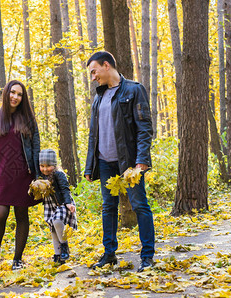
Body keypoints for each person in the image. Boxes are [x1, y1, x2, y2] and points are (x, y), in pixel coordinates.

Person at [84, 51, 155, 272]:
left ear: (107, 65)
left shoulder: (134, 90)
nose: (93, 77)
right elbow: (93, 134)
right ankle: (109, 254)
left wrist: (141, 160)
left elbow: (144, 128)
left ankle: (147, 256)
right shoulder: (98, 97)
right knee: (108, 207)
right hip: (105, 162)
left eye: (94, 71)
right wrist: (90, 165)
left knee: (140, 205)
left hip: (129, 163)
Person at [0, 80, 40, 271]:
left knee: (21, 213)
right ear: (6, 94)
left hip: (23, 173)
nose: (15, 97)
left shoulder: (28, 119)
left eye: (20, 94)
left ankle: (17, 259)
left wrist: (38, 176)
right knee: (0, 213)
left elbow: (36, 147)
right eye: (13, 93)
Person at [37, 149, 77, 264]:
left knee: (57, 221)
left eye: (48, 166)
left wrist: (68, 203)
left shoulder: (59, 174)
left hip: (62, 203)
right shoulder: (41, 176)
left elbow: (65, 189)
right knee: (53, 228)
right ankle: (58, 255)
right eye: (42, 166)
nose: (45, 169)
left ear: (54, 165)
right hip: (50, 206)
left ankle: (64, 245)